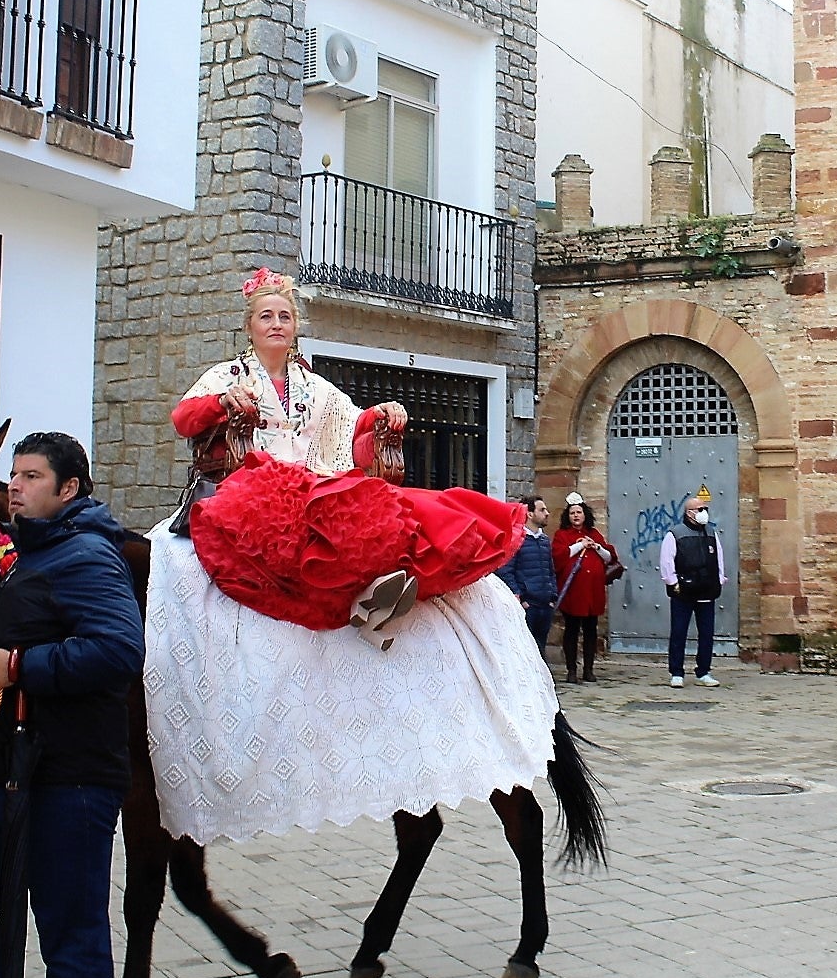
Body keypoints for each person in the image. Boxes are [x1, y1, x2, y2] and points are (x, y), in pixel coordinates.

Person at [169, 268, 523, 649]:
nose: (276, 324)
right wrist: (221, 402)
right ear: (249, 326)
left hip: (313, 480)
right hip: (256, 484)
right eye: (266, 316)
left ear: (295, 327)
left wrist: (381, 415)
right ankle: (359, 603)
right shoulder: (227, 374)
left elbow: (352, 427)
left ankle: (375, 596)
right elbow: (183, 418)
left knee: (390, 510)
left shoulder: (312, 384)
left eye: (284, 316)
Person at [0, 431, 145, 978]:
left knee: (70, 938)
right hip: (1, 775)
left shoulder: (89, 554)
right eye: (14, 475)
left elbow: (120, 650)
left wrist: (18, 665)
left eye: (31, 478)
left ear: (68, 489)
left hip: (68, 780)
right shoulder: (36, 553)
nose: (14, 488)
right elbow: (33, 633)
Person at [659, 487, 727, 689]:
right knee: (679, 631)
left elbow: (719, 558)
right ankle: (677, 672)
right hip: (684, 590)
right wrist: (673, 583)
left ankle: (703, 671)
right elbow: (667, 560)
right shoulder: (676, 534)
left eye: (704, 508)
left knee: (706, 633)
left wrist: (719, 579)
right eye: (699, 509)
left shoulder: (711, 533)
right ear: (689, 512)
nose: (703, 512)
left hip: (706, 590)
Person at [551, 492, 613, 683]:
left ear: (585, 514)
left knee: (591, 631)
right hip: (573, 594)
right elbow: (559, 557)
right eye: (572, 513)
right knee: (571, 630)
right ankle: (571, 669)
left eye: (579, 512)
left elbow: (609, 557)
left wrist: (596, 547)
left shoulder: (594, 534)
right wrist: (579, 546)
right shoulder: (562, 535)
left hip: (592, 593)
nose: (576, 516)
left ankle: (588, 669)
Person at [497, 495, 556, 655]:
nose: (547, 513)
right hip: (528, 604)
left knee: (541, 648)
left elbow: (550, 570)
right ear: (529, 514)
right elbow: (506, 570)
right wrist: (521, 599)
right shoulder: (517, 539)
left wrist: (552, 596)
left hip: (545, 604)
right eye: (542, 510)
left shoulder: (544, 540)